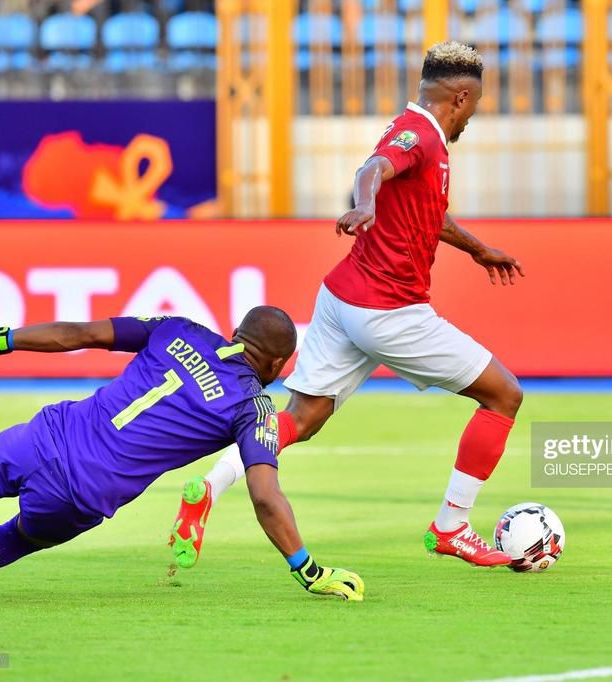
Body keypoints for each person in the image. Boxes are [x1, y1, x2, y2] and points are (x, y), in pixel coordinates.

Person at [170, 41, 525, 568]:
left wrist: (476, 249)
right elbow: (372, 170)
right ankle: (451, 525)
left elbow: (427, 212)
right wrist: (364, 203)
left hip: (342, 300)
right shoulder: (421, 135)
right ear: (462, 97)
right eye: (475, 104)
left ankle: (209, 487)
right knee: (504, 395)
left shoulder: (414, 131)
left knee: (303, 416)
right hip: (389, 312)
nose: (473, 116)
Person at [0, 311, 364, 601]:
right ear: (277, 365)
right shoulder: (253, 407)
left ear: (237, 335)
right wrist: (307, 569)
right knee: (17, 538)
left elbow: (81, 334)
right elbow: (265, 494)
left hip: (43, 437)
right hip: (81, 493)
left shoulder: (178, 328)